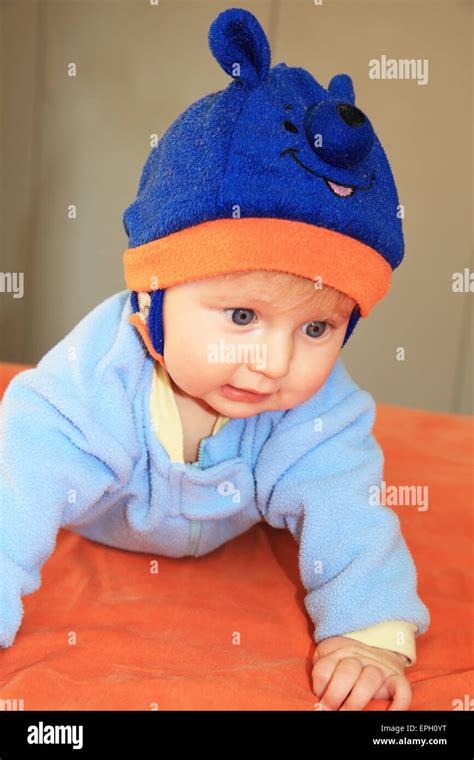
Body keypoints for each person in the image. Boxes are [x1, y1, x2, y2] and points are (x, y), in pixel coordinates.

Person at [0, 8, 429, 711]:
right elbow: (20, 479)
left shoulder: (315, 411)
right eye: (241, 316)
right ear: (152, 300)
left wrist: (369, 633)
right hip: (99, 517)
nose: (273, 362)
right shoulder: (97, 380)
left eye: (318, 328)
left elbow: (349, 506)